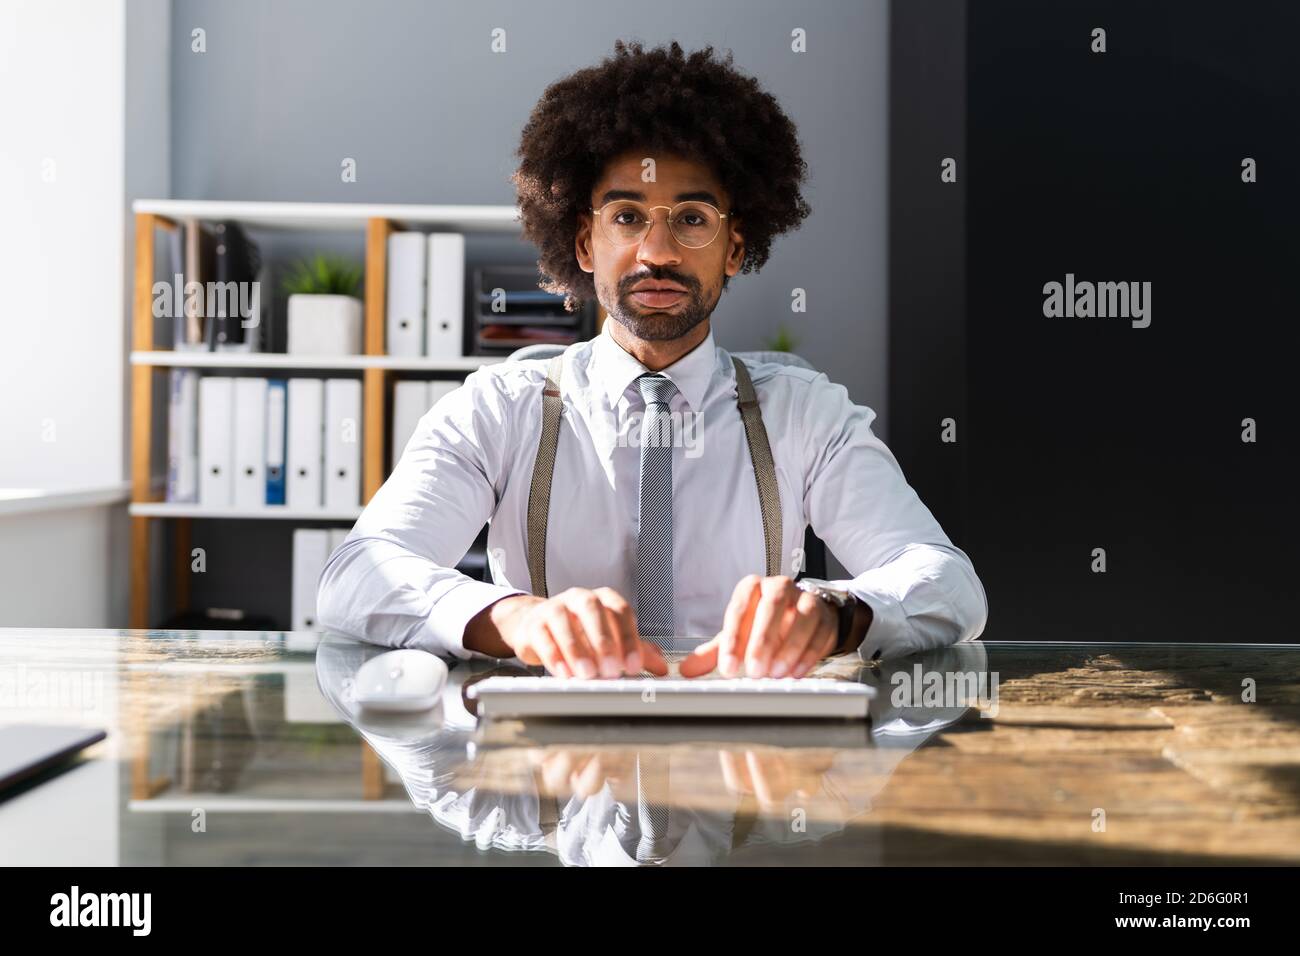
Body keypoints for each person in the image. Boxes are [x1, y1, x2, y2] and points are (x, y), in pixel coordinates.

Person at [317, 40, 987, 680]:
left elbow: (949, 584)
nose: (657, 251)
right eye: (627, 217)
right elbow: (357, 574)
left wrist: (840, 612)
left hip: (748, 762)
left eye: (692, 218)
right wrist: (515, 618)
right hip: (550, 768)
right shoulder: (499, 407)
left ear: (733, 247)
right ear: (584, 243)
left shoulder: (804, 413)